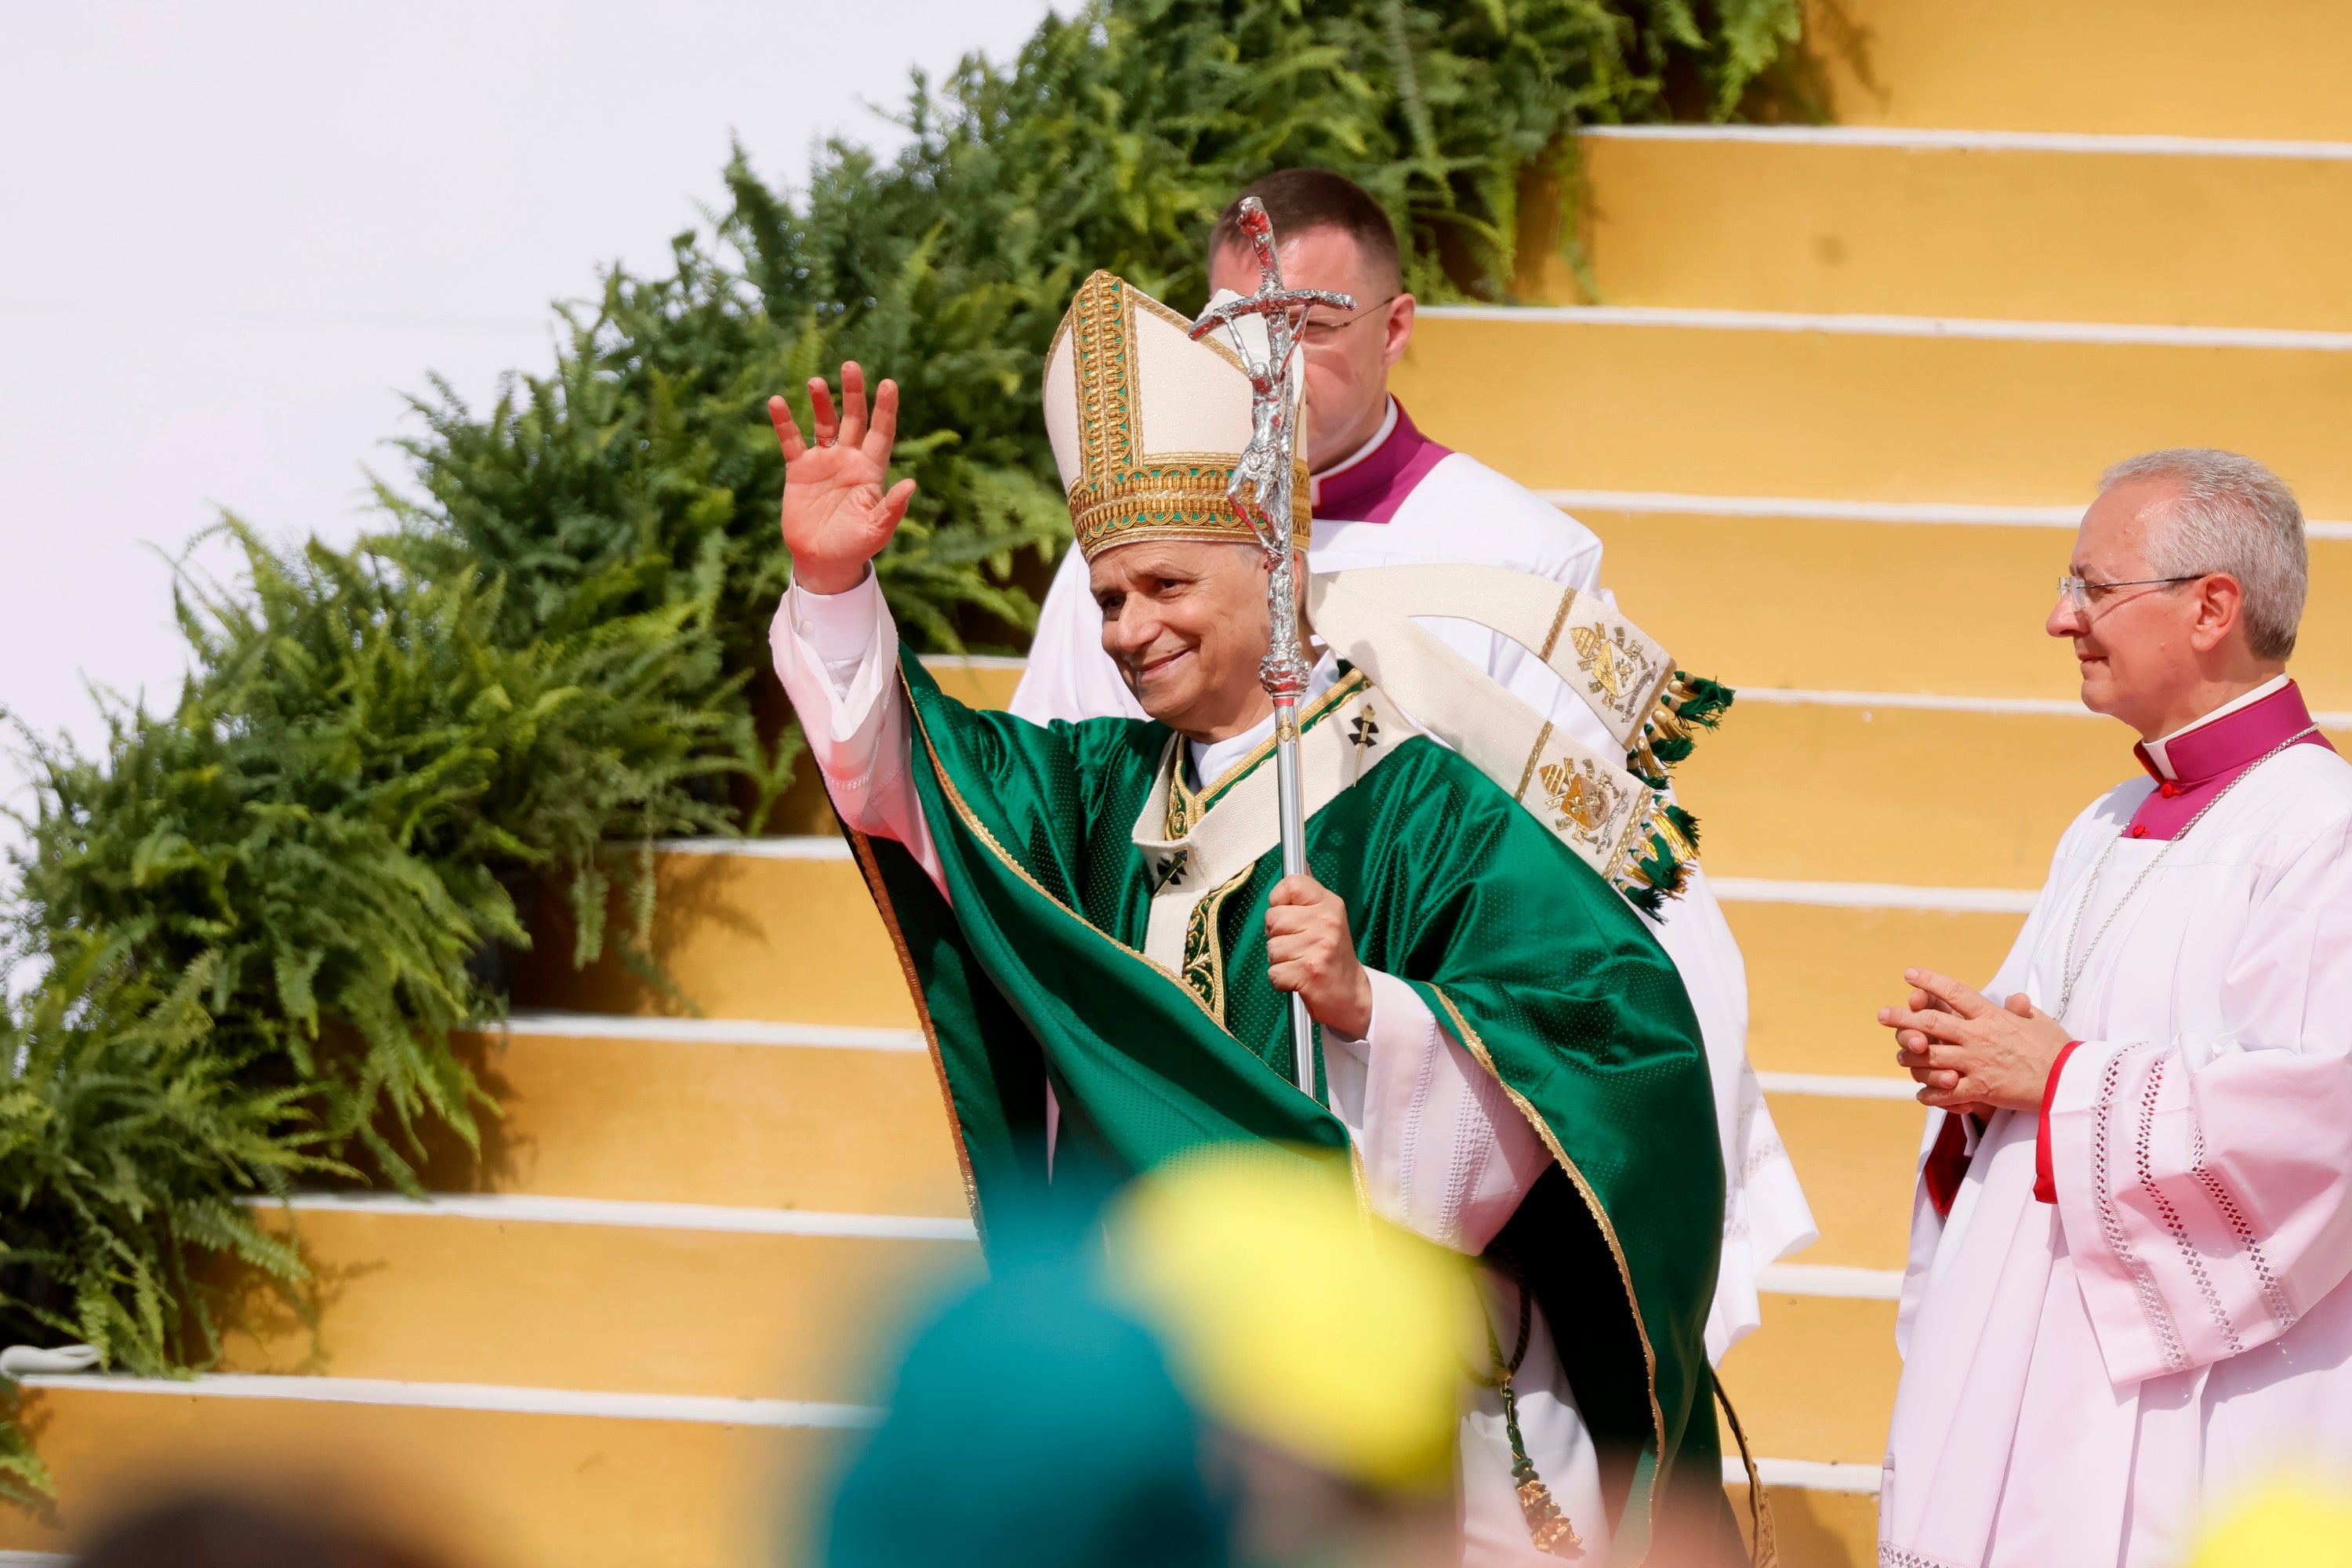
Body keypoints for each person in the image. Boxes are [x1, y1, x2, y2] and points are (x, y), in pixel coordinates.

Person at [768, 270, 1749, 1564]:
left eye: (1167, 584)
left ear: (1272, 561)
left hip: (1384, 1397)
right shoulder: (1089, 793)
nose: (1130, 630)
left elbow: (1621, 1033)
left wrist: (1380, 1015)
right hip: (1161, 1387)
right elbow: (899, 769)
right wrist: (834, 588)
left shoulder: (1418, 802)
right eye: (1110, 599)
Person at [1011, 168, 1811, 1361]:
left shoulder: (1514, 551)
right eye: (1235, 332)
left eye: (1313, 328)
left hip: (1419, 1111)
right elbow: (1053, 818)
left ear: (1396, 329)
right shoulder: (1118, 553)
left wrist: (1379, 1014)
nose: (1271, 367)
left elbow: (1581, 892)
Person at [1876, 448, 2352, 1566]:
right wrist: (1970, 1078)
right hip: (2033, 1346)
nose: (2061, 618)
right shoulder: (2108, 818)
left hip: (2200, 1394)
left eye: (2094, 587)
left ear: (2212, 608)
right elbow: (2046, 1058)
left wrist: (2051, 1081)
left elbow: (2320, 1120)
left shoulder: (2321, 831)